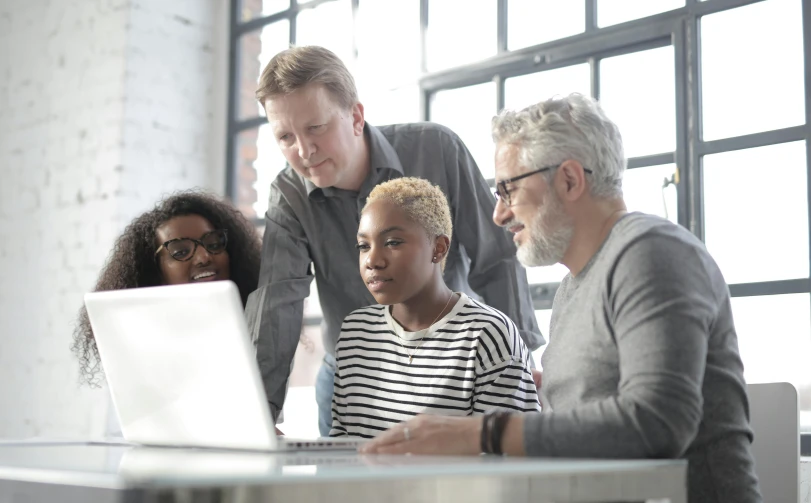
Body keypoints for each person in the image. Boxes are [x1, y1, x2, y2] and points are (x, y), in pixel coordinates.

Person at [360, 94, 762, 503]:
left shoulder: (652, 251)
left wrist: (480, 432)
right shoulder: (574, 285)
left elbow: (656, 422)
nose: (499, 214)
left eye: (508, 190)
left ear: (569, 179)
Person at [248, 45, 543, 437]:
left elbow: (497, 256)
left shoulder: (436, 149)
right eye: (285, 136)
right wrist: (259, 414)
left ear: (355, 117)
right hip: (352, 377)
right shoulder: (289, 193)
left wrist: (518, 363)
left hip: (448, 369)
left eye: (315, 128)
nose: (303, 151)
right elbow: (277, 304)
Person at [330, 177, 540, 438]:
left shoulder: (486, 335)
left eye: (393, 242)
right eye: (364, 246)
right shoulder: (355, 332)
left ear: (438, 249)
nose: (372, 260)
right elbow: (341, 443)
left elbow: (511, 454)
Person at [71, 190, 262, 388]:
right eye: (181, 251)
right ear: (156, 271)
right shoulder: (144, 343)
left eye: (213, 244)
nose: (204, 257)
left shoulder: (262, 326)